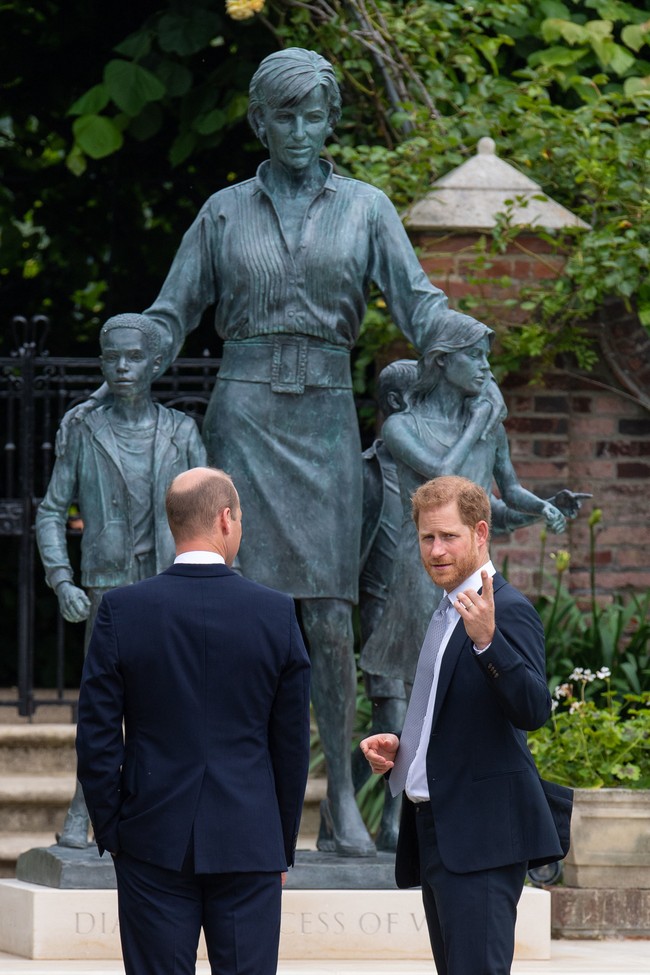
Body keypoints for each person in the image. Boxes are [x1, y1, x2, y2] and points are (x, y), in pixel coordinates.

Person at [67, 48, 491, 856]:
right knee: (231, 611)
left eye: (313, 115)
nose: (299, 130)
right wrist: (132, 356)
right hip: (245, 417)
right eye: (283, 116)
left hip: (326, 421)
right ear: (260, 123)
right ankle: (238, 792)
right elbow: (171, 313)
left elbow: (420, 302)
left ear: (333, 121)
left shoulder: (366, 209)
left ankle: (340, 805)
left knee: (330, 614)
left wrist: (468, 347)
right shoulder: (223, 213)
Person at [75, 467, 311, 975]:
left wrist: (115, 831)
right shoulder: (276, 612)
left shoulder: (122, 609)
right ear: (226, 519)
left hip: (151, 837)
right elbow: (291, 747)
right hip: (249, 840)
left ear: (173, 524)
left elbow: (96, 738)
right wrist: (280, 845)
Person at [360, 475, 571, 975]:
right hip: (438, 830)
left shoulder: (506, 610)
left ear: (480, 533)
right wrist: (401, 747)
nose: (436, 550)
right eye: (427, 538)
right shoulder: (446, 610)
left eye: (448, 536)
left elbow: (534, 710)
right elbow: (450, 714)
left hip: (482, 837)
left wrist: (488, 643)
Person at [36, 312, 206, 848]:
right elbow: (50, 510)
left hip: (171, 586)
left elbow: (214, 512)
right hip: (107, 587)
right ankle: (83, 808)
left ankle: (168, 815)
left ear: (157, 363)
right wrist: (63, 579)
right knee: (101, 704)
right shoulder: (83, 428)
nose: (123, 367)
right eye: (113, 357)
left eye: (135, 357)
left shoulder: (182, 431)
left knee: (175, 702)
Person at [359, 321, 585, 688]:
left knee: (471, 681)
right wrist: (479, 420)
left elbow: (505, 498)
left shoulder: (492, 431)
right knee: (412, 683)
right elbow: (443, 476)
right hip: (420, 571)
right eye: (475, 355)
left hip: (475, 573)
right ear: (443, 361)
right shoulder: (403, 426)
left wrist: (543, 508)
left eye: (487, 357)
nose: (486, 367)